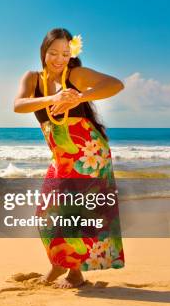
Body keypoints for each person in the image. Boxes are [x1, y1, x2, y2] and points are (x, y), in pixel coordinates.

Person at [13, 27, 126, 288]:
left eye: (65, 53)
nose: (59, 59)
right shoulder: (33, 79)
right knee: (45, 212)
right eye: (53, 52)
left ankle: (74, 273)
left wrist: (78, 96)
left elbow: (115, 84)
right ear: (44, 52)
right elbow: (17, 105)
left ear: (71, 54)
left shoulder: (75, 74)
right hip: (62, 154)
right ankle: (59, 264)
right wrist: (53, 97)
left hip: (89, 152)